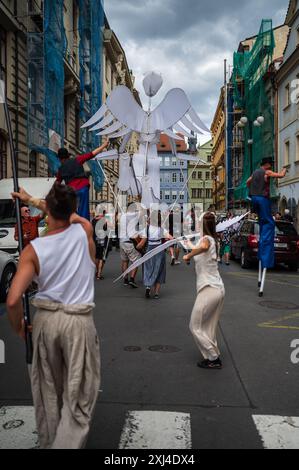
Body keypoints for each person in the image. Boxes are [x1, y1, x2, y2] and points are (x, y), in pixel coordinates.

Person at [7, 184, 100, 449]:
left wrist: (20, 328)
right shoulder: (84, 231)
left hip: (46, 321)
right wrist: (37, 201)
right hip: (78, 321)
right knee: (79, 392)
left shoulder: (33, 250)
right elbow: (69, 215)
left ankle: (49, 441)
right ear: (72, 210)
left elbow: (13, 299)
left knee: (48, 391)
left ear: (49, 214)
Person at [183, 212, 225, 370]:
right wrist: (189, 246)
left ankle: (214, 358)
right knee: (207, 326)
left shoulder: (207, 240)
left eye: (199, 222)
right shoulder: (210, 239)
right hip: (215, 288)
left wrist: (188, 255)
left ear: (203, 225)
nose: (197, 225)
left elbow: (204, 247)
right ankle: (212, 355)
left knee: (194, 325)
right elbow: (201, 250)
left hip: (210, 289)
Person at [246, 157, 286, 270]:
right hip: (262, 199)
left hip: (254, 198)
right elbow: (280, 175)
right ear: (267, 164)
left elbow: (247, 182)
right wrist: (284, 170)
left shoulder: (255, 172)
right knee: (269, 222)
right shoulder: (266, 172)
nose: (271, 166)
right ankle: (265, 254)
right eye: (271, 164)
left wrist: (253, 188)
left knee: (262, 221)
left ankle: (262, 248)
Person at [56, 140, 109, 220]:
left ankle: (75, 223)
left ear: (59, 159)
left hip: (71, 191)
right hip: (83, 188)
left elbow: (56, 184)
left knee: (71, 210)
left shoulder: (60, 169)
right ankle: (84, 227)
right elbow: (91, 154)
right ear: (68, 156)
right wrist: (104, 145)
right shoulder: (77, 159)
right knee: (83, 211)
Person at [137, 211, 173, 299]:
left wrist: (138, 246)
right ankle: (156, 293)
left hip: (149, 250)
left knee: (148, 269)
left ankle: (148, 286)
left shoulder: (147, 229)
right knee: (159, 270)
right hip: (159, 251)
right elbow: (171, 238)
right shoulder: (162, 229)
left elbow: (142, 243)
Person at [119, 205, 141, 288]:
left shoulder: (122, 216)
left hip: (122, 241)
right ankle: (132, 279)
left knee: (125, 261)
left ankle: (125, 279)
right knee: (136, 261)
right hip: (130, 242)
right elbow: (143, 211)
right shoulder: (134, 215)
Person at [92, 210, 109, 280]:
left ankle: (97, 271)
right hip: (102, 241)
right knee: (101, 258)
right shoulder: (104, 220)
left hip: (95, 240)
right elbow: (107, 228)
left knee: (96, 257)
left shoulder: (93, 220)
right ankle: (99, 274)